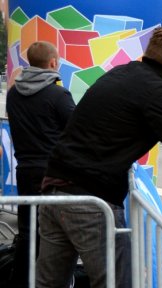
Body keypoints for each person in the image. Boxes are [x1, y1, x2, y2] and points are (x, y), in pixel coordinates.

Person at [35, 27, 162, 288]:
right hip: (91, 201)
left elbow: (127, 123)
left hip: (53, 190)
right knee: (117, 282)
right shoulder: (158, 89)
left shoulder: (121, 74)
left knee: (49, 284)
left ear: (149, 53)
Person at [5, 41, 76, 288]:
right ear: (53, 62)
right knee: (56, 234)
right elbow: (76, 130)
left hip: (25, 169)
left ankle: (21, 282)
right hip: (54, 174)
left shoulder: (13, 93)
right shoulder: (58, 94)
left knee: (27, 232)